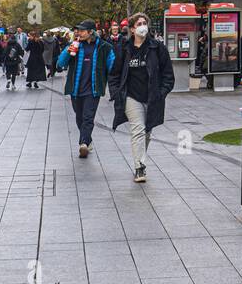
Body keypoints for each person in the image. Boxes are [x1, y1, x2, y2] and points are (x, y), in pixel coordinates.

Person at [109, 12, 174, 184]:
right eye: (139, 23)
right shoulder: (124, 48)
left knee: (147, 132)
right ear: (132, 28)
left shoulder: (157, 48)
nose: (143, 26)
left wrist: (162, 92)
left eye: (145, 22)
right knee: (137, 130)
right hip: (131, 96)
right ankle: (140, 167)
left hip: (152, 97)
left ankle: (140, 160)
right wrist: (116, 92)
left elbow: (168, 74)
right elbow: (114, 73)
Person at [59, 19, 116, 159]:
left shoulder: (104, 47)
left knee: (87, 117)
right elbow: (60, 63)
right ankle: (88, 140)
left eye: (82, 30)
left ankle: (83, 143)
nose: (79, 32)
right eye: (78, 30)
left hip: (93, 90)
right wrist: (68, 50)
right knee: (79, 118)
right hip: (75, 89)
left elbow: (113, 67)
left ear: (91, 32)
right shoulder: (75, 45)